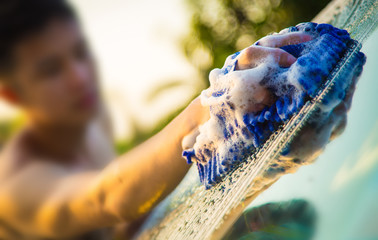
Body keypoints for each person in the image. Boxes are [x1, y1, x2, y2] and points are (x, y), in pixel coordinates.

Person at [0, 0, 337, 239]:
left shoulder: (88, 129)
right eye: (50, 70)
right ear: (12, 95)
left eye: (79, 52)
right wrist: (213, 106)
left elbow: (127, 228)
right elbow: (106, 198)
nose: (79, 76)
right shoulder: (15, 186)